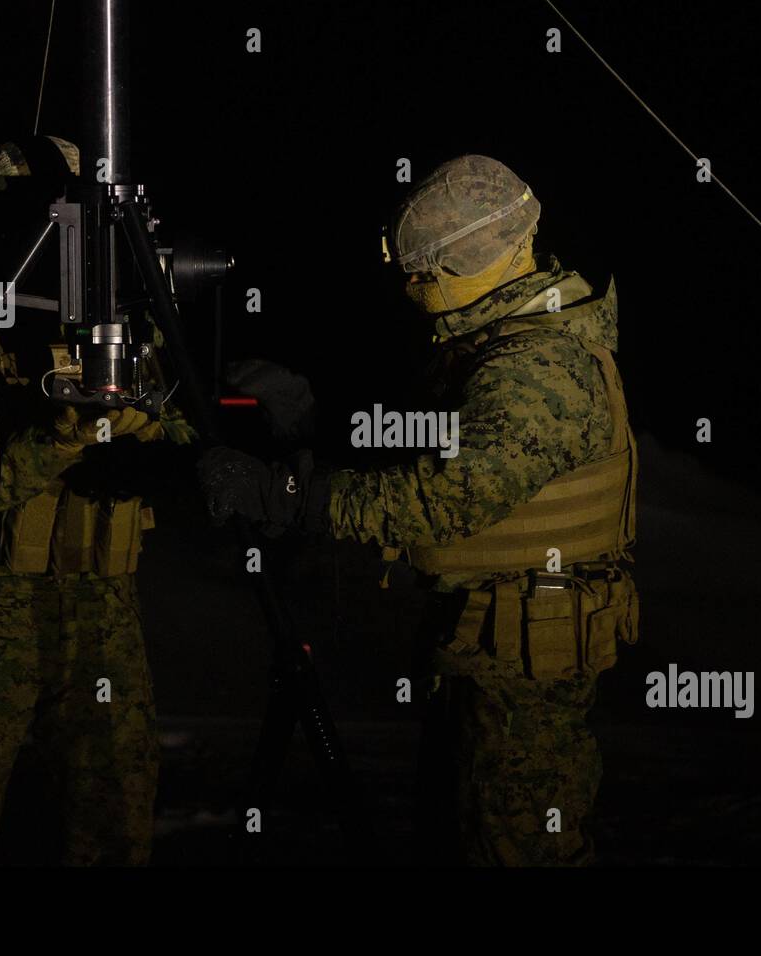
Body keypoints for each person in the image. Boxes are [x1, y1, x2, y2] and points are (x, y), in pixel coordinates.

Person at [198, 154, 639, 866]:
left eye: (424, 275)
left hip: (522, 662)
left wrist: (289, 495)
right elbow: (429, 448)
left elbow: (441, 498)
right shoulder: (498, 340)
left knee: (512, 847)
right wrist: (312, 422)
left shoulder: (536, 366)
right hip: (489, 644)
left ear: (466, 264)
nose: (411, 290)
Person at [0, 136, 192, 865]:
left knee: (115, 806)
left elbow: (186, 447)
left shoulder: (130, 330)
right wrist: (67, 427)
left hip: (104, 598)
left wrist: (145, 431)